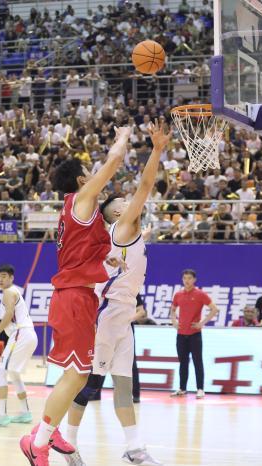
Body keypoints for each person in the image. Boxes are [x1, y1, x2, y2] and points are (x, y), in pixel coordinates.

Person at [19, 126, 132, 466]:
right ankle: (37, 443)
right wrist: (122, 136)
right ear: (83, 180)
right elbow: (113, 163)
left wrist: (105, 258)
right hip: (73, 298)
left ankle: (46, 429)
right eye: (89, 172)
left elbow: (81, 251)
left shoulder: (80, 210)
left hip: (78, 297)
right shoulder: (82, 200)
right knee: (76, 375)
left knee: (78, 374)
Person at [65, 122, 169, 466]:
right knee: (90, 383)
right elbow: (146, 186)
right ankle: (68, 444)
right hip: (108, 314)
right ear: (117, 213)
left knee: (124, 385)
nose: (130, 201)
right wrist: (157, 149)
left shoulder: (123, 233)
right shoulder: (123, 227)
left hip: (123, 316)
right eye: (123, 201)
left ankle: (134, 448)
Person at [0, 264, 38, 427]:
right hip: (28, 334)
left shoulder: (9, 292)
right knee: (13, 372)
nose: (0, 279)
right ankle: (25, 412)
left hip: (21, 333)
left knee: (0, 371)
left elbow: (9, 314)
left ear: (11, 278)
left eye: (4, 276)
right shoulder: (13, 292)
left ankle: (1, 415)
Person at [169, 269, 219, 399]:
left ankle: (200, 389)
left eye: (189, 278)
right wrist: (174, 321)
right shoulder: (178, 294)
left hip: (195, 334)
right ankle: (182, 388)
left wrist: (202, 323)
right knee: (183, 362)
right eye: (184, 278)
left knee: (197, 361)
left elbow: (214, 309)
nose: (187, 281)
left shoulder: (200, 294)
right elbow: (173, 309)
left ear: (194, 280)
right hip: (181, 334)